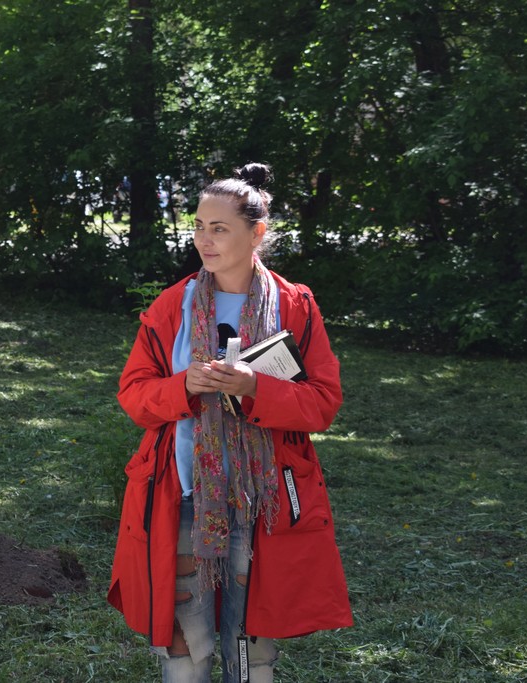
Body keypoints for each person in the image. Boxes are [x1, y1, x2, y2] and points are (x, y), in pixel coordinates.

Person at [108, 163, 351, 683]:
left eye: (219, 228)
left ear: (256, 233)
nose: (204, 240)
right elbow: (133, 396)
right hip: (183, 498)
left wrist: (256, 388)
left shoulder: (295, 306)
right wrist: (184, 386)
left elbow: (323, 404)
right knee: (184, 647)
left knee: (251, 648)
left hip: (264, 504)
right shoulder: (173, 305)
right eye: (199, 226)